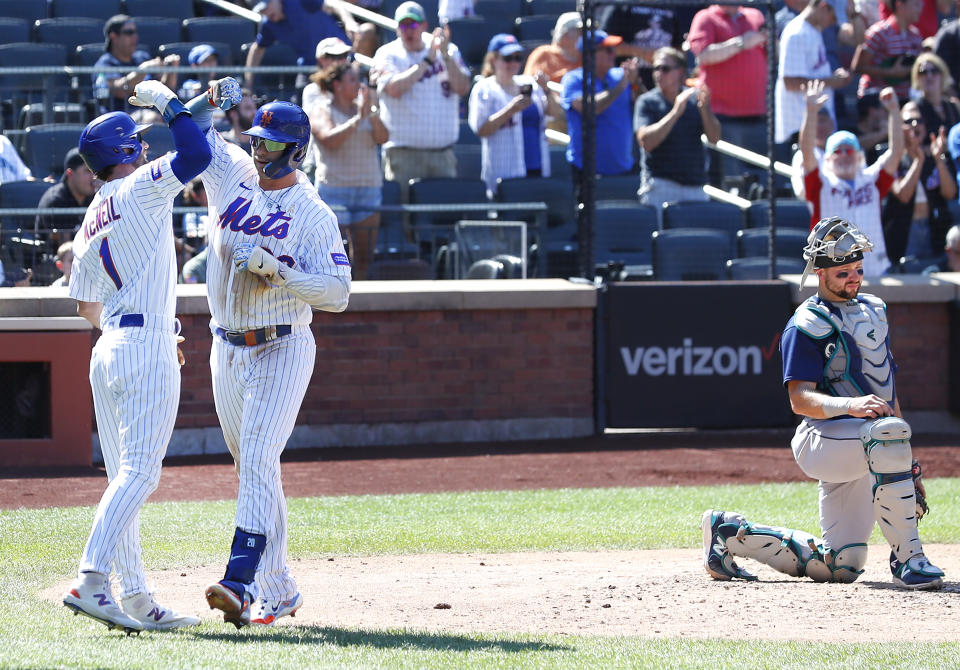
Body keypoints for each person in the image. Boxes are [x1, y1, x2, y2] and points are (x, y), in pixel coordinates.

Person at [183, 79, 352, 628]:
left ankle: (241, 579)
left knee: (256, 458)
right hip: (226, 346)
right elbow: (193, 132)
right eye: (256, 140)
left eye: (271, 143)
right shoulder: (233, 174)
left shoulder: (312, 212)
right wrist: (208, 102)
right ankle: (280, 589)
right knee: (254, 466)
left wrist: (280, 270)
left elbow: (338, 293)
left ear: (296, 150)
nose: (259, 150)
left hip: (281, 343)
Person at [703, 216, 945, 591]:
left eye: (858, 270)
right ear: (820, 272)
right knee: (885, 433)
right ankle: (909, 559)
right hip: (822, 439)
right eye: (843, 271)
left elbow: (887, 393)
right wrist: (853, 408)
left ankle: (729, 534)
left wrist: (905, 457)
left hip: (866, 441)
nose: (854, 278)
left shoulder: (874, 312)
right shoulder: (807, 322)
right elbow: (799, 399)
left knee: (840, 565)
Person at [61, 80, 211, 633]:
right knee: (141, 474)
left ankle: (138, 597)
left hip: (109, 346)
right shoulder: (140, 188)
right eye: (137, 144)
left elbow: (85, 305)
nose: (146, 149)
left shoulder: (91, 214)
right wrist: (168, 100)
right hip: (141, 344)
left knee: (124, 476)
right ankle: (92, 581)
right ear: (125, 154)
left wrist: (198, 106)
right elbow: (196, 153)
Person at [800, 81, 902, 275]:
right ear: (828, 158)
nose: (845, 155)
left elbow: (896, 152)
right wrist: (811, 112)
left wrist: (894, 111)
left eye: (849, 150)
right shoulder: (821, 183)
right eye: (838, 151)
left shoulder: (872, 180)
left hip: (873, 270)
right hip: (833, 272)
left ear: (859, 155)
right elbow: (807, 152)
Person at [372, 1, 471, 201]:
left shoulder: (446, 49)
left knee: (443, 219)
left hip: (442, 155)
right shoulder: (387, 53)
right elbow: (394, 89)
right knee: (406, 220)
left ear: (424, 25)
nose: (408, 30)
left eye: (413, 25)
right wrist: (427, 61)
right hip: (403, 155)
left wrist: (444, 55)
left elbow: (462, 87)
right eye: (403, 25)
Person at [311, 61, 389, 280]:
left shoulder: (366, 109)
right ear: (337, 85)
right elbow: (329, 140)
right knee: (330, 259)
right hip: (334, 191)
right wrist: (358, 120)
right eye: (353, 80)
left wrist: (371, 113)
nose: (359, 84)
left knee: (364, 259)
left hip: (368, 190)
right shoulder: (321, 110)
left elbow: (383, 138)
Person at [468, 34, 559, 196]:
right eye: (508, 58)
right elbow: (481, 129)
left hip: (536, 166)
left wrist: (546, 89)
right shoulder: (484, 89)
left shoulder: (529, 84)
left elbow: (554, 112)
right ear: (493, 60)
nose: (514, 63)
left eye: (517, 58)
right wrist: (511, 110)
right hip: (504, 171)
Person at [687, 4, 768, 183]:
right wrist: (740, 43)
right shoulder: (705, 17)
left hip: (756, 115)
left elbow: (770, 50)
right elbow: (703, 55)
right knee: (727, 181)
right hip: (720, 117)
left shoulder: (755, 15)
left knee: (759, 181)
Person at [635, 47, 721, 210]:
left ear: (680, 71)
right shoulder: (646, 102)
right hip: (660, 185)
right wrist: (675, 112)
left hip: (695, 187)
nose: (659, 73)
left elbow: (714, 138)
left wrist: (705, 110)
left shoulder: (695, 100)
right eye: (656, 68)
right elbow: (646, 142)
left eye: (665, 69)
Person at [561, 30, 640, 199]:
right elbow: (591, 108)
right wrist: (622, 85)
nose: (613, 54)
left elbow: (641, 101)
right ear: (589, 55)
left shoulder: (620, 75)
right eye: (607, 50)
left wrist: (635, 83)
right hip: (587, 172)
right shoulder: (573, 80)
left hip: (624, 170)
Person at [882, 101, 956, 262]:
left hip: (933, 230)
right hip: (905, 231)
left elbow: (949, 194)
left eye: (919, 121)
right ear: (900, 127)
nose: (915, 125)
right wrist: (918, 161)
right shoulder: (892, 158)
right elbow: (903, 194)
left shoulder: (934, 155)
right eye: (908, 121)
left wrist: (938, 159)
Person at [775, 0, 852, 147]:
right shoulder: (797, 33)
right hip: (799, 130)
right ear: (823, 6)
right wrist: (832, 81)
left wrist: (834, 78)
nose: (832, 23)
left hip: (814, 129)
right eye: (833, 18)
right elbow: (791, 83)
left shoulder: (813, 31)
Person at [243, 0, 350, 91]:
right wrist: (248, 82)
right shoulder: (269, 24)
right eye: (262, 10)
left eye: (267, 6)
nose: (265, 12)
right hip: (309, 68)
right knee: (301, 102)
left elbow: (333, 3)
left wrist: (349, 22)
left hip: (341, 60)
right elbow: (257, 49)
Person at [93, 15, 180, 116]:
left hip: (151, 113)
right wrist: (143, 70)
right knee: (151, 118)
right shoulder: (105, 63)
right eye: (129, 33)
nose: (135, 37)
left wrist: (171, 71)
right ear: (114, 37)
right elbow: (119, 91)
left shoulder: (142, 57)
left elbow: (164, 91)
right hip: (121, 117)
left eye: (135, 32)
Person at [852, 0, 924, 100]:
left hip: (904, 100)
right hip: (877, 103)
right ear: (900, 4)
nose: (920, 9)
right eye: (916, 4)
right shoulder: (879, 32)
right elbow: (858, 68)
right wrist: (890, 72)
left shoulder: (916, 35)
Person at [35, 148, 99, 246]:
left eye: (94, 170)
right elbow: (65, 248)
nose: (93, 176)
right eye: (87, 171)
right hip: (58, 258)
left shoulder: (93, 197)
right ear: (70, 174)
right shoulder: (55, 201)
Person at [523, 12, 582, 85]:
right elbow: (530, 85)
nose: (585, 35)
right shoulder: (543, 54)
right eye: (580, 31)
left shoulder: (589, 57)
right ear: (565, 34)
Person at [302, 37, 353, 113]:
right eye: (338, 56)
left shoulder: (355, 85)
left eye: (345, 55)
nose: (344, 61)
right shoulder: (311, 91)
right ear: (322, 60)